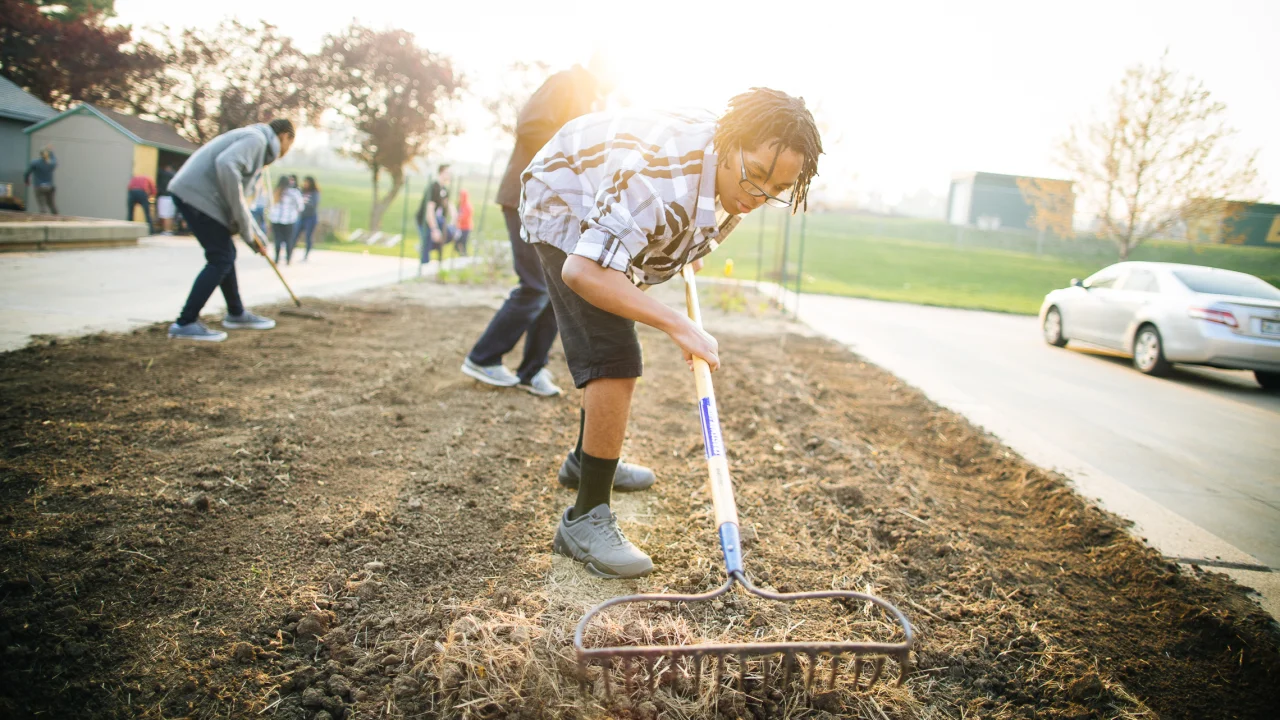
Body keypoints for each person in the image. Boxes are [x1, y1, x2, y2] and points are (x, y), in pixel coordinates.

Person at [522, 88, 822, 579]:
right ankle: (584, 518)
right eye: (756, 175)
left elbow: (693, 211)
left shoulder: (728, 166)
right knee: (613, 356)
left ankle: (585, 460)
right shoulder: (659, 182)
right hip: (564, 195)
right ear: (731, 143)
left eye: (776, 189)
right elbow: (585, 271)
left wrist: (685, 247)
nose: (758, 194)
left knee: (613, 345)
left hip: (608, 188)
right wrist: (676, 324)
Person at [460, 63, 605, 398]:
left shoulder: (593, 99)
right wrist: (575, 159)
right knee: (536, 285)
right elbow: (531, 125)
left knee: (559, 288)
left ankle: (532, 369)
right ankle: (483, 357)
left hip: (557, 207)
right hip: (529, 196)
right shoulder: (566, 82)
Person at [166, 118, 295, 342]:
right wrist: (247, 232)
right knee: (221, 257)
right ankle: (185, 322)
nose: (286, 151)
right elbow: (226, 165)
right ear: (284, 136)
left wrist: (254, 237)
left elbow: (239, 199)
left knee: (225, 254)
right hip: (197, 197)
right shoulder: (256, 140)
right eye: (289, 145)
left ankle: (236, 313)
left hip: (199, 197)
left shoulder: (256, 141)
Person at [415, 164, 453, 265]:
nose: (450, 175)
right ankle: (424, 266)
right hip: (424, 220)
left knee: (449, 234)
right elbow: (429, 211)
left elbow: (448, 204)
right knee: (426, 243)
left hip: (436, 219)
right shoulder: (433, 187)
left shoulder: (444, 189)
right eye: (448, 173)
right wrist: (434, 229)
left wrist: (455, 217)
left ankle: (425, 247)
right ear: (442, 172)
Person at [268, 175, 304, 265]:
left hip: (275, 219)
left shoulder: (275, 192)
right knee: (289, 239)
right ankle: (288, 258)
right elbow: (300, 207)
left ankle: (276, 258)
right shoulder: (294, 193)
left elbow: (269, 205)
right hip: (289, 219)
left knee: (277, 239)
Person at [24, 145, 57, 215]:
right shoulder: (51, 164)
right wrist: (51, 152)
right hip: (49, 187)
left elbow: (26, 173)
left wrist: (26, 181)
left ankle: (43, 216)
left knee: (42, 205)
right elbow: (54, 160)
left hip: (39, 186)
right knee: (51, 204)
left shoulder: (35, 163)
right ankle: (57, 218)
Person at [298, 176, 321, 261]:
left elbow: (313, 204)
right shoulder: (301, 191)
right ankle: (289, 254)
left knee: (308, 236)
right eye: (305, 182)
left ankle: (306, 255)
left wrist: (304, 202)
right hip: (302, 216)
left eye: (307, 182)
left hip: (310, 217)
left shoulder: (315, 193)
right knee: (295, 235)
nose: (305, 184)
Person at [156, 164, 177, 235]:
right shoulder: (175, 175)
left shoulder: (166, 175)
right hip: (171, 196)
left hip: (165, 196)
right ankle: (168, 230)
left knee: (166, 215)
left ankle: (167, 230)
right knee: (169, 215)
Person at [454, 189, 472, 256]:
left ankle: (464, 255)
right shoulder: (460, 205)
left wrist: (458, 217)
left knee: (463, 243)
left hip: (466, 227)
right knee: (458, 242)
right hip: (460, 227)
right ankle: (460, 254)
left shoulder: (467, 206)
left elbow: (465, 217)